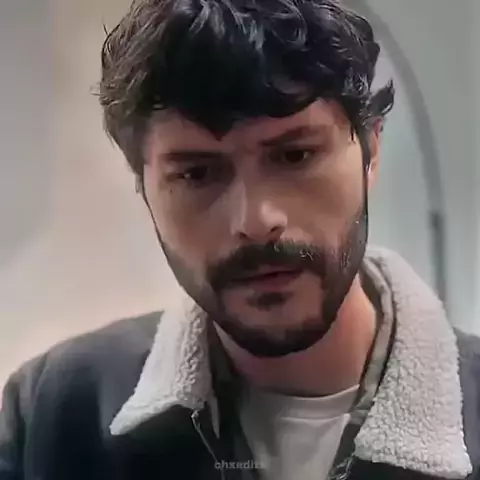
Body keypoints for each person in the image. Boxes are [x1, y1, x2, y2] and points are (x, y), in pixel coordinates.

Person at [0, 0, 479, 479]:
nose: (256, 220)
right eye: (197, 173)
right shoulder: (53, 415)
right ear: (143, 186)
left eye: (295, 156)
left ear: (370, 150)